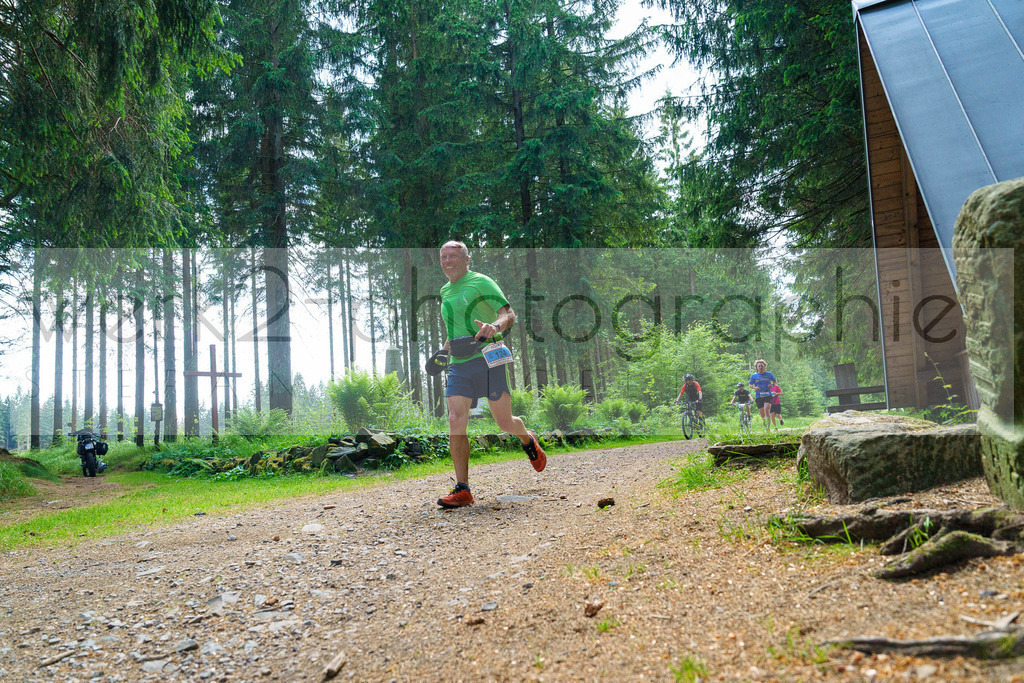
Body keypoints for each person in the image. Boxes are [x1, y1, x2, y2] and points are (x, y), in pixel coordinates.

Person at [435, 240, 546, 509]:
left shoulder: (481, 282)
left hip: (488, 356)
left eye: (453, 256)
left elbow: (508, 314)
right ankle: (463, 489)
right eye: (443, 257)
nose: (448, 261)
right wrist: (443, 352)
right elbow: (454, 330)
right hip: (460, 363)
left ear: (466, 260)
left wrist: (494, 326)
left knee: (504, 422)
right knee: (455, 419)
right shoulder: (445, 291)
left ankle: (527, 439)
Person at [748, 359, 777, 428]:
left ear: (764, 367)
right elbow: (750, 384)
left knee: (766, 409)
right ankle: (764, 422)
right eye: (759, 366)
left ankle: (768, 428)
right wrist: (754, 388)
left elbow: (775, 381)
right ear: (756, 367)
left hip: (768, 395)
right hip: (759, 396)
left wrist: (772, 385)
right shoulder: (754, 376)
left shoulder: (769, 374)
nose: (760, 367)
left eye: (762, 366)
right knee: (762, 414)